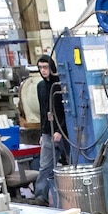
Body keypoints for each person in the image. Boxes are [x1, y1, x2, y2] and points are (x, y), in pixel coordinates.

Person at [33, 55, 68, 205]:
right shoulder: (40, 87)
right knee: (45, 166)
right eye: (40, 68)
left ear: (51, 67)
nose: (43, 71)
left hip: (65, 133)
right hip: (48, 133)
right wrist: (42, 132)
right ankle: (41, 196)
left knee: (73, 165)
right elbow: (43, 111)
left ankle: (72, 197)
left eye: (45, 67)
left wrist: (61, 130)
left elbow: (67, 110)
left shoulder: (61, 85)